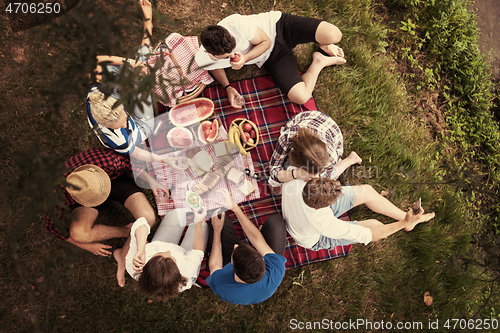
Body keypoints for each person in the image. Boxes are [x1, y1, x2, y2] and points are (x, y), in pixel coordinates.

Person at [87, 0, 187, 170]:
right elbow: (138, 153)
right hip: (141, 125)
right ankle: (148, 24)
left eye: (124, 120)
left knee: (117, 68)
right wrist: (166, 161)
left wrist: (132, 64)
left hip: (118, 94)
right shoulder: (120, 140)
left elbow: (97, 62)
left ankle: (137, 64)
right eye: (123, 125)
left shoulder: (95, 96)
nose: (126, 125)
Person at [195, 11, 346, 107]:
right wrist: (228, 87)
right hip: (272, 57)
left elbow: (266, 42)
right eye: (226, 57)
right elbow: (213, 66)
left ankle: (323, 43)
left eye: (233, 50)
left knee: (334, 35)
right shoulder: (203, 58)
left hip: (278, 26)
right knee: (302, 97)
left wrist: (245, 57)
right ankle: (319, 61)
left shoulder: (237, 24)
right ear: (209, 52)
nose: (232, 55)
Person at [44, 148, 164, 257]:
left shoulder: (109, 161)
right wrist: (84, 245)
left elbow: (132, 164)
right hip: (84, 201)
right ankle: (127, 231)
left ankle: (124, 253)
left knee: (148, 217)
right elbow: (52, 225)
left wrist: (151, 182)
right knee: (79, 234)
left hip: (114, 181)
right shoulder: (56, 195)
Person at [282, 177, 436, 251]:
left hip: (306, 209)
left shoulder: (296, 181)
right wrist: (404, 224)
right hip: (315, 237)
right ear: (323, 207)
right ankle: (409, 223)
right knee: (376, 226)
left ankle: (405, 217)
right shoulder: (324, 223)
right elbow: (368, 235)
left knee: (367, 191)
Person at [207, 189, 287, 305]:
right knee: (277, 222)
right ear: (262, 259)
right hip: (259, 279)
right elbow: (257, 240)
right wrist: (234, 207)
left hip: (237, 284)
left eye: (234, 253)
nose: (235, 245)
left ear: (231, 266)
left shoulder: (221, 284)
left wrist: (217, 231)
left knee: (218, 215)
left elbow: (215, 265)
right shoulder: (277, 268)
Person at [121, 207, 208, 299]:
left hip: (162, 242)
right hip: (186, 255)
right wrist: (198, 223)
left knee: (177, 213)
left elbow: (141, 222)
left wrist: (140, 249)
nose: (168, 251)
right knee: (203, 226)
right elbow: (198, 251)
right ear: (178, 274)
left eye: (158, 254)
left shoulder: (134, 265)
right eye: (172, 258)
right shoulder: (186, 272)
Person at [268, 111, 362, 195]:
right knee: (275, 186)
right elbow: (274, 169)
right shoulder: (287, 138)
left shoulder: (331, 156)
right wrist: (295, 173)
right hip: (307, 119)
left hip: (331, 133)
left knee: (328, 177)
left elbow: (326, 173)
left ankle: (351, 159)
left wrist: (317, 177)